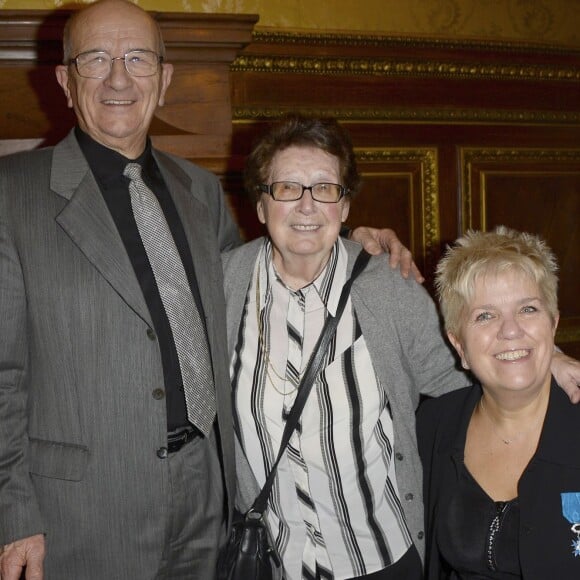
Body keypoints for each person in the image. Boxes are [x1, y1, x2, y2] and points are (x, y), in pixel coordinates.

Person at [0, 2, 419, 579]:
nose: (119, 78)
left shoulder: (196, 190)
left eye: (138, 59)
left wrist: (353, 241)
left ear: (165, 79)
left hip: (210, 499)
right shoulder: (11, 194)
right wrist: (13, 514)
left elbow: (269, 264)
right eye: (95, 58)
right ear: (65, 82)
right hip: (83, 514)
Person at [222, 116, 580, 580]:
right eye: (287, 187)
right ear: (261, 204)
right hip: (274, 559)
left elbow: (469, 358)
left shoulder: (387, 288)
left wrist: (546, 354)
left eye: (326, 188)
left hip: (384, 556)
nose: (307, 205)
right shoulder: (221, 286)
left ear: (345, 207)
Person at [417, 227, 580, 579]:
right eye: (485, 315)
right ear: (459, 346)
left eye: (527, 309)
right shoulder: (432, 426)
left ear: (552, 326)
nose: (510, 330)